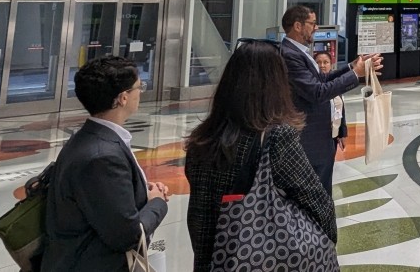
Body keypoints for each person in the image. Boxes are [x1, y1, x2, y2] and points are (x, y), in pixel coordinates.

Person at [185, 40, 338, 272]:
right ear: (275, 83)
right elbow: (316, 201)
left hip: (214, 260)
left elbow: (199, 214)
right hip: (263, 257)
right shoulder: (275, 136)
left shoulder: (202, 140)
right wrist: (325, 243)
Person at [42, 56, 169, 272]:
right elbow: (127, 236)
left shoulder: (90, 138)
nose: (141, 92)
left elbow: (103, 206)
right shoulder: (102, 157)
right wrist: (157, 203)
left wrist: (140, 196)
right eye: (139, 87)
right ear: (122, 98)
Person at [279, 5, 379, 195]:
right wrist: (354, 75)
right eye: (313, 24)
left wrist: (352, 68)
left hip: (318, 139)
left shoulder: (299, 52)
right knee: (315, 195)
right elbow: (318, 92)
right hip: (310, 141)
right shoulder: (290, 55)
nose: (316, 28)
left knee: (321, 192)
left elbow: (322, 79)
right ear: (298, 26)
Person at [314, 51, 348, 156]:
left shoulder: (336, 83)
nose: (322, 66)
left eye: (326, 62)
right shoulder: (312, 85)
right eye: (318, 62)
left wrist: (342, 134)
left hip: (333, 134)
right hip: (317, 136)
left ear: (331, 64)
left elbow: (341, 110)